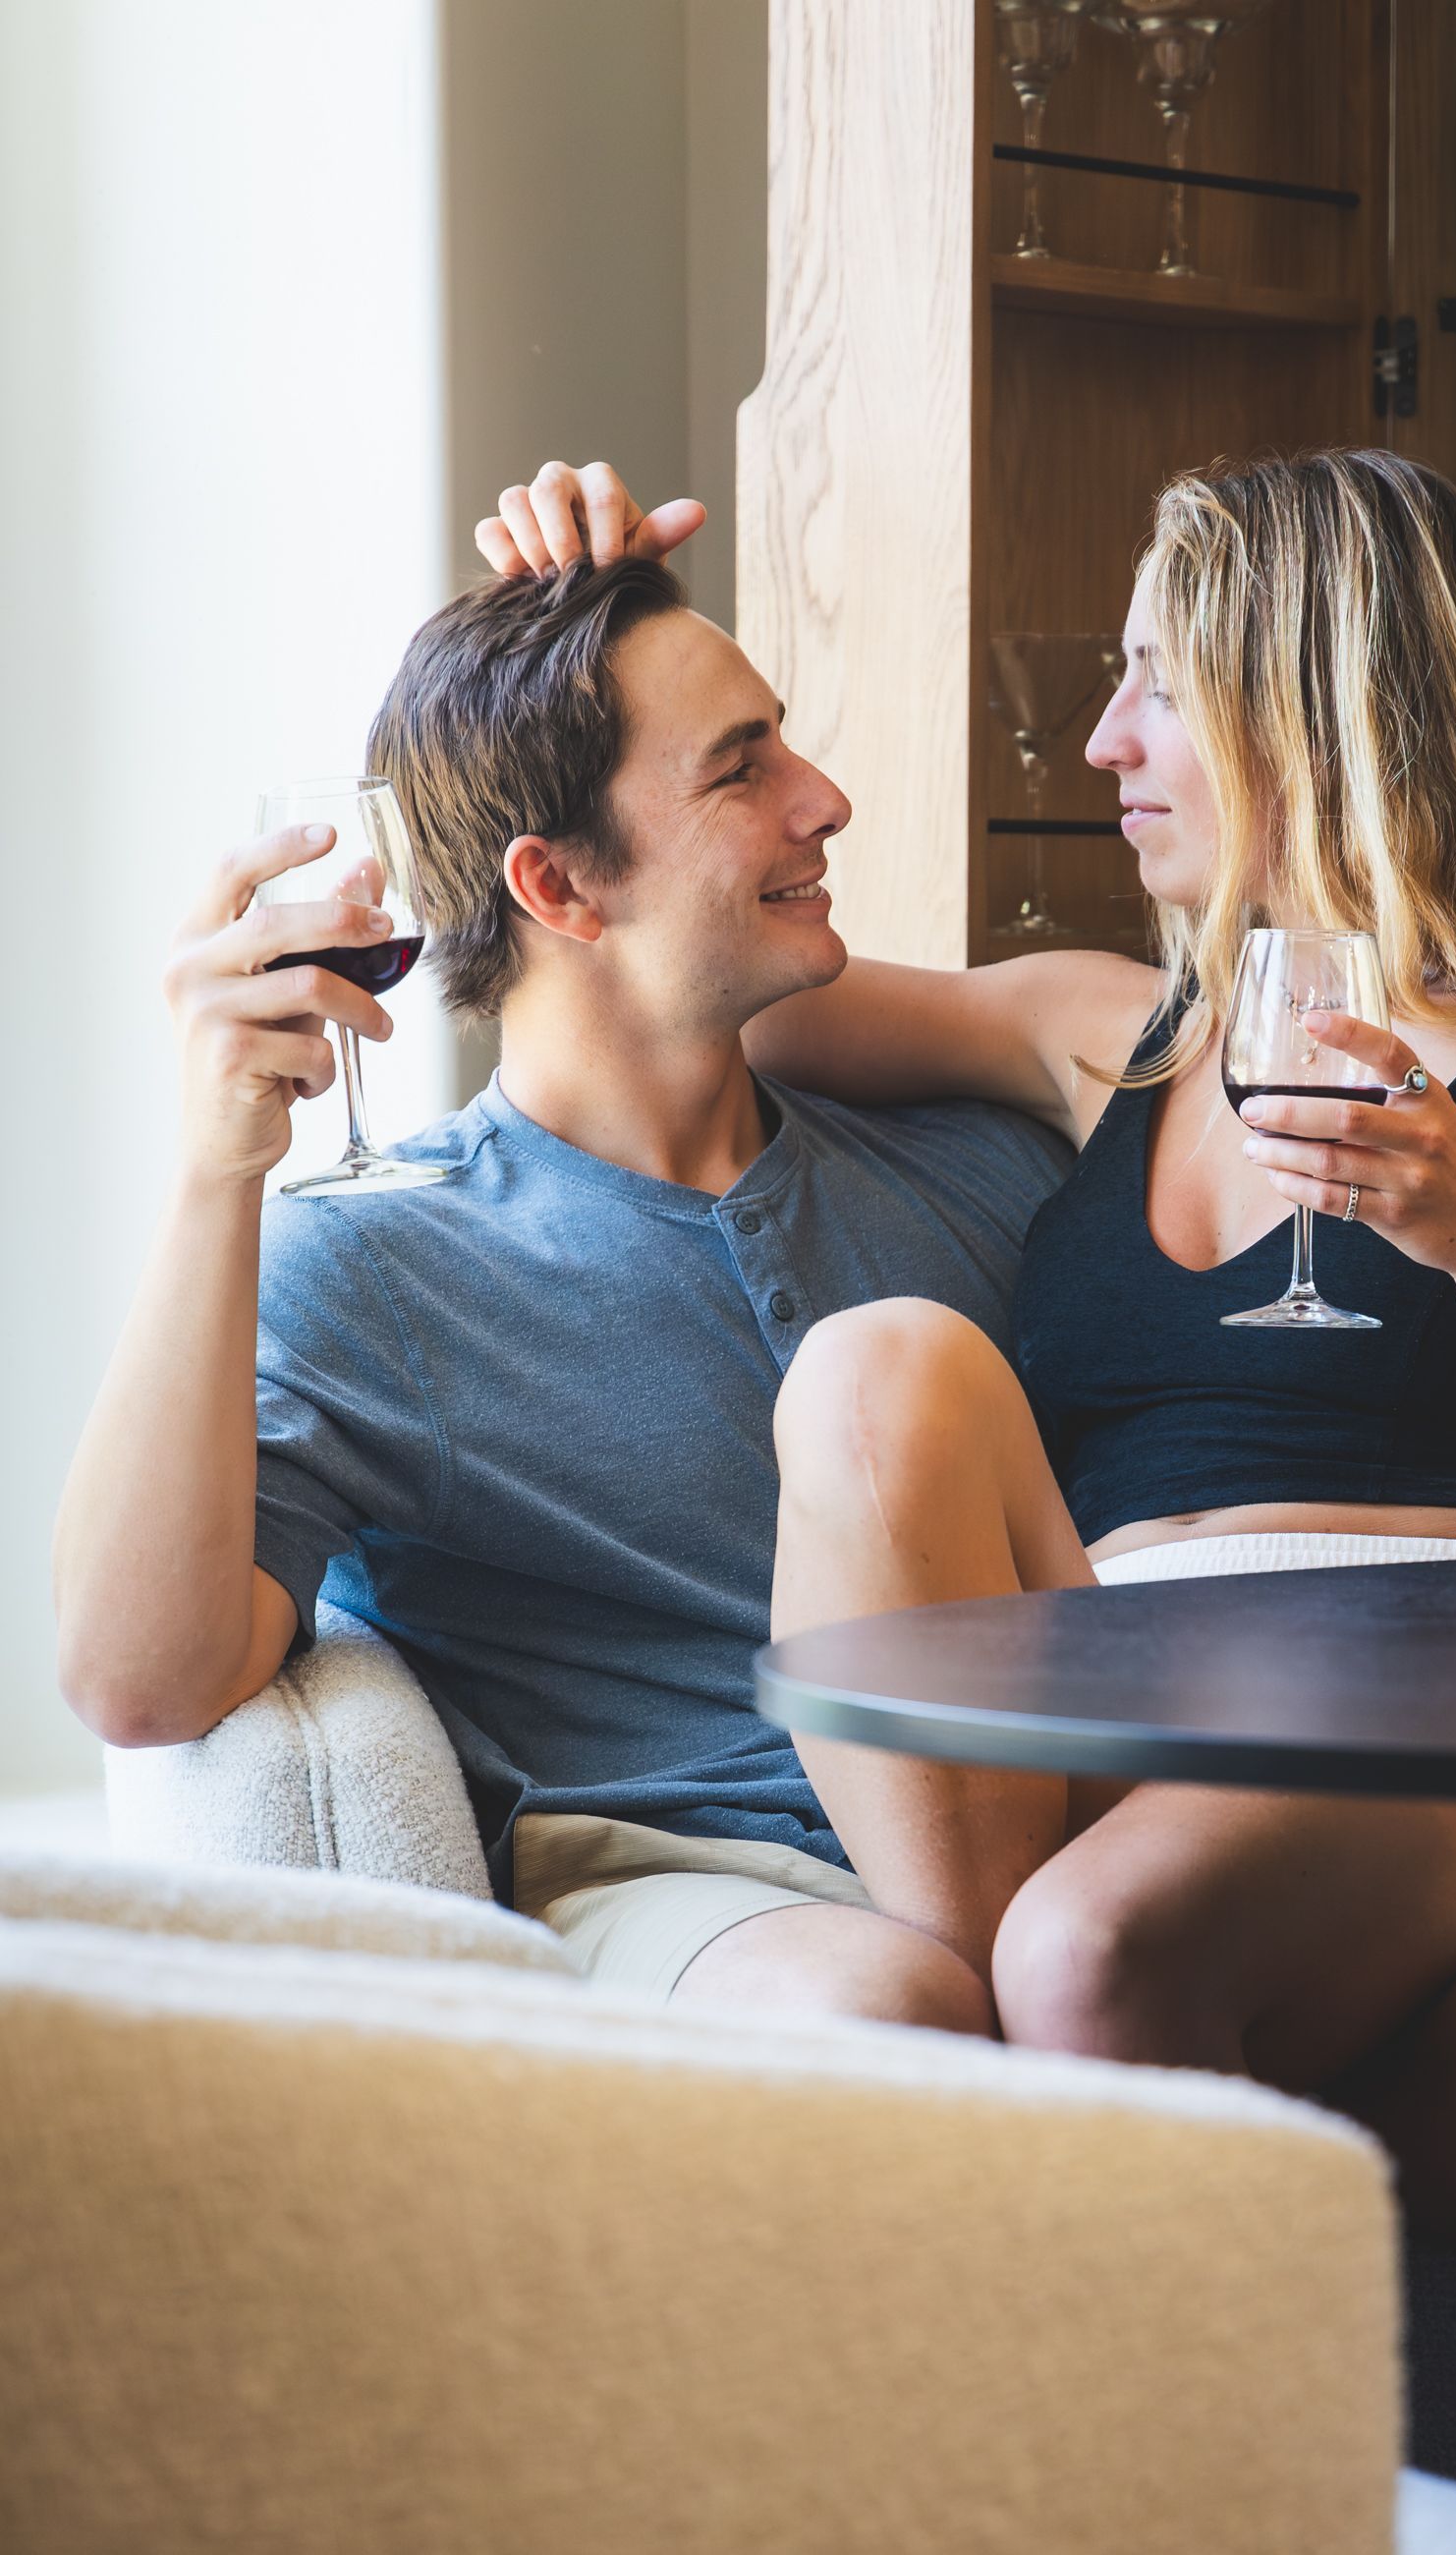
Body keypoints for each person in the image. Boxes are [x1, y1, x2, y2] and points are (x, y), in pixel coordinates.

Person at [480, 449, 1456, 2230]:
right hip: (1111, 1698)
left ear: (1320, 711)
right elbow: (704, 974)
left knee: (1090, 1943)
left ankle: (1088, 2330)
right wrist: (586, 648)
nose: (1103, 742)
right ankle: (1013, 2177)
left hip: (1437, 1701)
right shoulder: (1110, 1036)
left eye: (1157, 686)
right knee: (877, 1364)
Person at [53, 512, 1071, 2039]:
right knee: (883, 2002)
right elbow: (141, 1682)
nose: (826, 800)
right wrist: (217, 1170)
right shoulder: (381, 1264)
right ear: (558, 887)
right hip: (686, 1888)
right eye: (741, 770)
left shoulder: (967, 1173)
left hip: (1037, 1854)